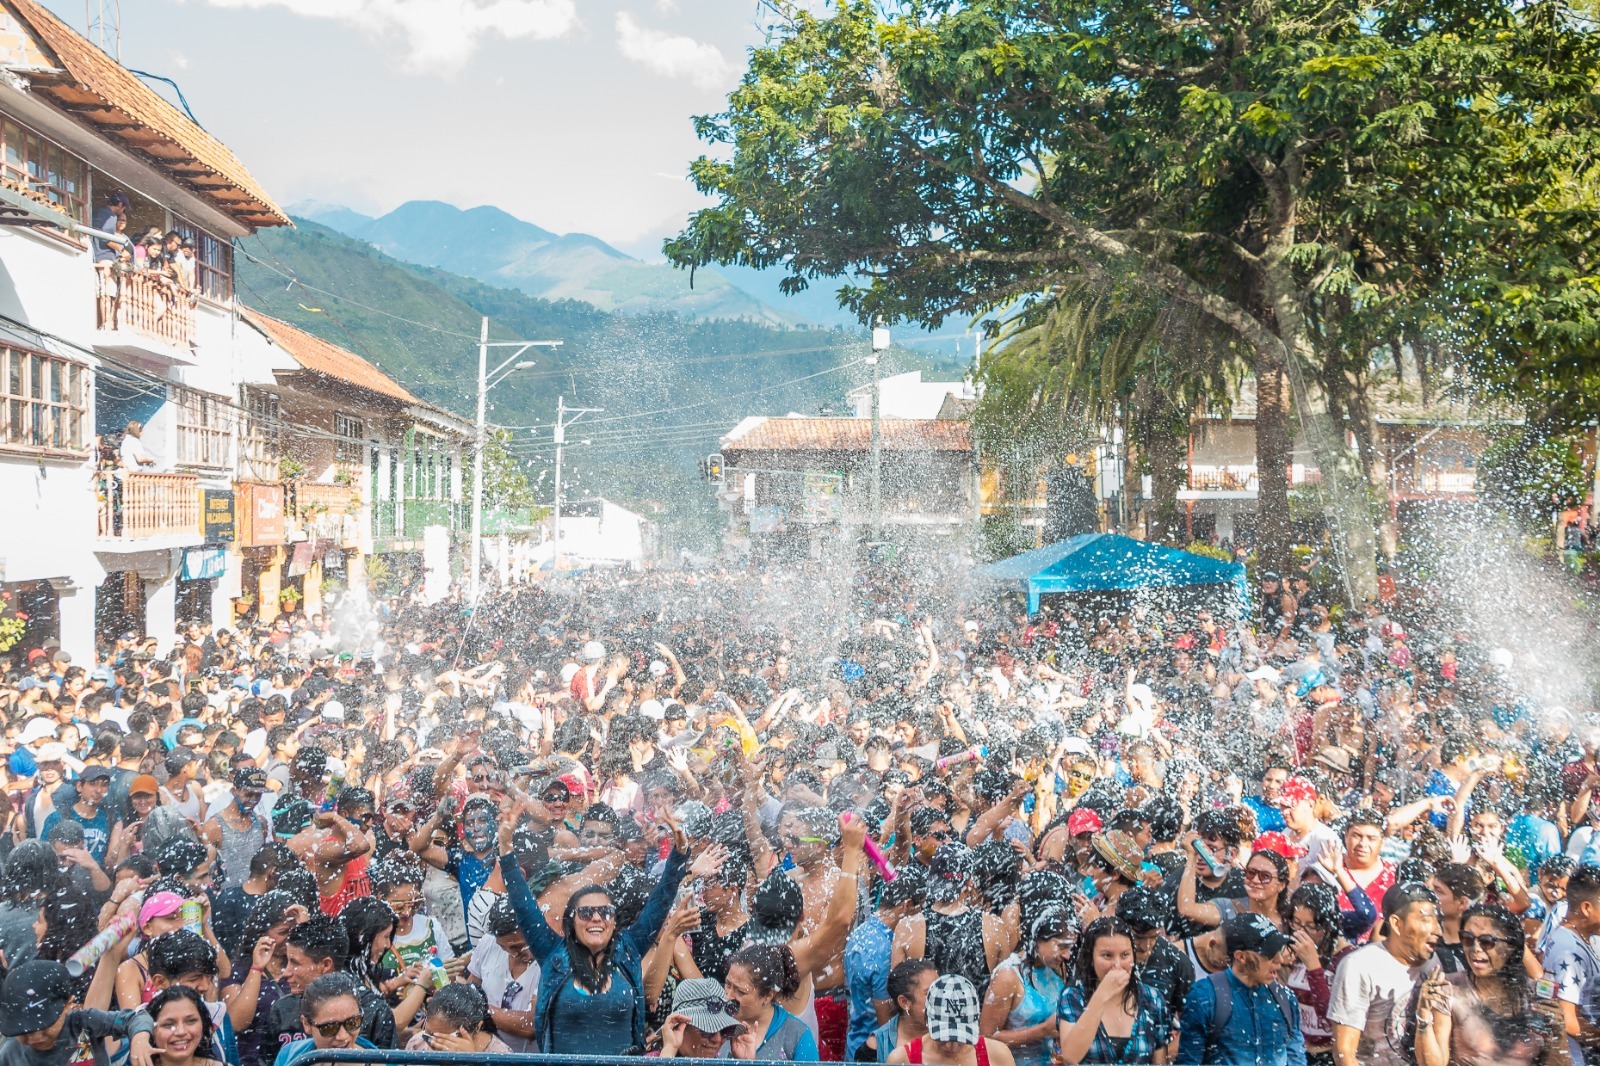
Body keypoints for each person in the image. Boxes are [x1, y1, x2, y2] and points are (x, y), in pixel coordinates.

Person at [497, 805, 707, 1054]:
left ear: (614, 921)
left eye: (605, 912)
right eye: (586, 913)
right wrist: (505, 846)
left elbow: (660, 901)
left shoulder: (628, 949)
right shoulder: (552, 952)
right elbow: (523, 904)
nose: (596, 918)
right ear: (572, 922)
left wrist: (680, 853)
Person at [1414, 902, 1569, 1066]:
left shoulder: (1533, 995)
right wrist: (1423, 1017)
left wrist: (1559, 1033)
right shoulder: (1449, 990)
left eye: (1486, 941)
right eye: (1467, 939)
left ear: (1510, 947)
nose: (1475, 948)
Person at [1327, 882, 1443, 1066]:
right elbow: (1344, 1052)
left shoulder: (1434, 963)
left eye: (1438, 920)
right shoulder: (1360, 965)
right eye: (1427, 920)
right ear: (1397, 924)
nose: (1438, 930)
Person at [1175, 913, 1306, 1066]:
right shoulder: (1205, 996)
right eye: (1269, 954)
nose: (1279, 960)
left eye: (1279, 950)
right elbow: (1189, 1061)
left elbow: (1296, 1056)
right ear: (1241, 957)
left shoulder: (1286, 998)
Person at [1058, 917, 1173, 1065]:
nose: (1117, 965)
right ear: (1091, 958)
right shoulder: (1073, 997)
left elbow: (1160, 1060)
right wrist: (1101, 995)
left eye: (1125, 955)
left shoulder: (1152, 999)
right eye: (1107, 955)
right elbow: (1071, 1056)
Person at [0, 958, 156, 1066]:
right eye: (25, 1031)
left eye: (44, 1026)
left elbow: (135, 1018)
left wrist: (139, 1039)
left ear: (68, 1004)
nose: (35, 1037)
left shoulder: (84, 1023)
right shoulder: (10, 1054)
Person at [980, 907, 1073, 1066]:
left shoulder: (1057, 968)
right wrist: (1042, 1031)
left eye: (1070, 947)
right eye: (1062, 946)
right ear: (1037, 939)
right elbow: (986, 1039)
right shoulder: (1007, 976)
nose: (1067, 955)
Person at [1537, 864, 1600, 1064]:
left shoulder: (1585, 937)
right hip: (1580, 1059)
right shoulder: (1569, 951)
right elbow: (1568, 1020)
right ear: (1586, 908)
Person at [888, 973, 1016, 1066]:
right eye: (943, 1038)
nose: (952, 1046)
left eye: (961, 1039)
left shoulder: (998, 1056)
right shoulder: (901, 1059)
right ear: (928, 1021)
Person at [726, 943, 820, 1061]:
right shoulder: (712, 1025)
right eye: (728, 984)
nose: (728, 996)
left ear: (768, 996)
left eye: (740, 991)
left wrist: (748, 1063)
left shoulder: (797, 1035)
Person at [271, 974, 381, 1066]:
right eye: (329, 1028)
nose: (343, 1036)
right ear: (306, 1024)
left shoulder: (382, 1061)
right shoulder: (289, 1054)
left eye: (352, 1023)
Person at [655, 977, 752, 1059]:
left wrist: (746, 1062)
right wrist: (669, 1051)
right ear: (677, 1027)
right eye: (708, 1030)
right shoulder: (646, 1061)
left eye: (725, 1031)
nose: (717, 1039)